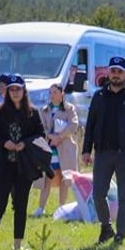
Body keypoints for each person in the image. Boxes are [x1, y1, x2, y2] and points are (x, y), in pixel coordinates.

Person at [81, 56, 125, 244]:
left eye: (120, 71)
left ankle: (121, 234)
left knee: (124, 196)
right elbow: (91, 125)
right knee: (98, 194)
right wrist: (86, 150)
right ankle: (106, 227)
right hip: (102, 153)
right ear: (108, 72)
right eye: (113, 71)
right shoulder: (99, 96)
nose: (116, 75)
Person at [0, 74, 45, 250]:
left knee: (21, 205)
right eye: (12, 89)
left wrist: (25, 143)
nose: (15, 92)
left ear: (24, 90)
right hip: (3, 166)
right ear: (7, 91)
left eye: (18, 89)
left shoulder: (32, 112)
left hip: (24, 166)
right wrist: (5, 143)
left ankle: (17, 245)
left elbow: (40, 134)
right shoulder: (0, 110)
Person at [33, 83, 80, 217]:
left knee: (64, 178)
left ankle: (62, 207)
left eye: (55, 92)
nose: (52, 95)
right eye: (50, 92)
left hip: (64, 148)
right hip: (49, 148)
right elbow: (40, 127)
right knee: (48, 176)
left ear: (62, 94)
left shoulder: (69, 109)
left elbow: (73, 125)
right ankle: (41, 208)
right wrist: (50, 136)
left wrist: (59, 137)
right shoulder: (44, 110)